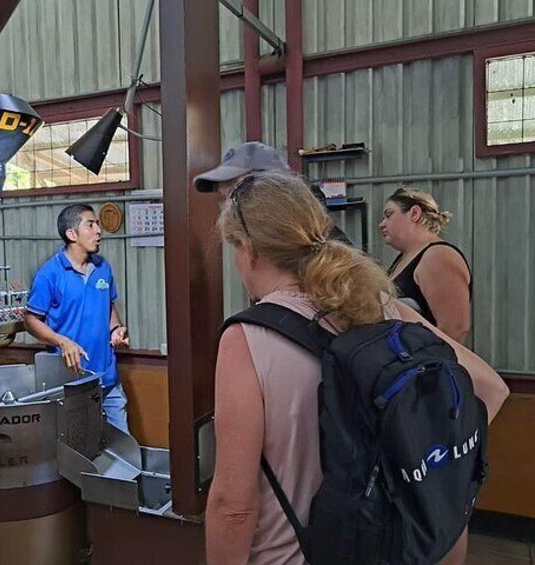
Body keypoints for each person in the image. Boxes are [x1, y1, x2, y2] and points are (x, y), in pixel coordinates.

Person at [205, 171, 509, 564]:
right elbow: (490, 389)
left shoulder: (246, 338)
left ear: (248, 249)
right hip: (387, 548)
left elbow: (233, 506)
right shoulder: (379, 305)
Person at [24, 204, 131, 433]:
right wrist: (62, 342)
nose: (98, 231)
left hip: (108, 378)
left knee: (123, 449)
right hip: (71, 383)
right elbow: (31, 321)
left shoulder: (104, 268)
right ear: (72, 234)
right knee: (80, 451)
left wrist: (116, 330)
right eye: (90, 225)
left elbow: (109, 306)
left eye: (98, 225)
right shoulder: (49, 274)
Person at [194, 141, 352, 245]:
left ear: (273, 186)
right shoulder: (273, 239)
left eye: (234, 185)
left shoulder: (312, 245)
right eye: (221, 187)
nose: (224, 193)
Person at [380, 187, 472, 343]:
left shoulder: (437, 256)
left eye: (389, 215)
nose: (382, 224)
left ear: (414, 213)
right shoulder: (403, 258)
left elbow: (455, 329)